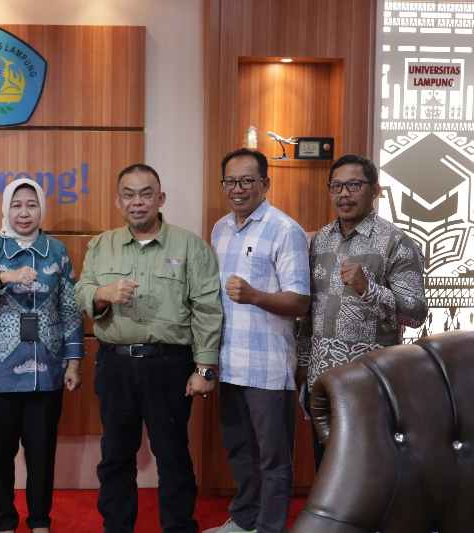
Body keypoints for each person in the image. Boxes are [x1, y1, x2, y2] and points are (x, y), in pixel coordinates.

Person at [75, 163, 223, 533]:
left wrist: (205, 367)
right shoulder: (101, 245)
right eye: (129, 195)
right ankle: (116, 526)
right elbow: (81, 292)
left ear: (160, 199)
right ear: (118, 201)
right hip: (115, 365)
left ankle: (178, 526)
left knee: (172, 454)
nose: (137, 202)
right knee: (115, 455)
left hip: (169, 365)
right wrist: (102, 294)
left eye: (146, 194)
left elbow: (207, 308)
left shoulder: (189, 246)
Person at [0, 178, 84, 533]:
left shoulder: (57, 251)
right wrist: (3, 277)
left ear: (42, 208)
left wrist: (73, 362)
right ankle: (5, 524)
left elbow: (70, 310)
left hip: (47, 373)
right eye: (16, 205)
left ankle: (40, 521)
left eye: (31, 204)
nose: (24, 212)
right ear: (5, 209)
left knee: (42, 455)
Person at [297, 154, 428, 467]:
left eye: (354, 185)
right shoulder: (319, 241)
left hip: (371, 383)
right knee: (327, 472)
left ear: (375, 190)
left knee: (369, 473)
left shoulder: (397, 242)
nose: (344, 194)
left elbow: (416, 313)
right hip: (322, 383)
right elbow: (309, 311)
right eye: (337, 186)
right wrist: (302, 365)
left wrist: (368, 288)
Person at [206, 149, 310, 533]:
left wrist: (255, 296)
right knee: (239, 450)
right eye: (230, 181)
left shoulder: (285, 230)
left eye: (247, 181)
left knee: (273, 458)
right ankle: (245, 519)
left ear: (265, 183)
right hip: (229, 362)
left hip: (268, 367)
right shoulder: (220, 229)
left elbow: (300, 301)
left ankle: (269, 527)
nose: (238, 189)